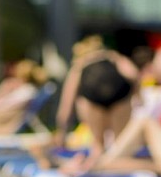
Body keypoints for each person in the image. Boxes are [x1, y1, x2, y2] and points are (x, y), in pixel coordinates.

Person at [54, 35, 140, 165]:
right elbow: (133, 74)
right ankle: (119, 166)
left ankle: (96, 167)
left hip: (92, 99)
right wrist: (136, 95)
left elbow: (68, 101)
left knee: (98, 145)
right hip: (120, 96)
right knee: (120, 143)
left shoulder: (81, 63)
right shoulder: (112, 57)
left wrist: (62, 130)